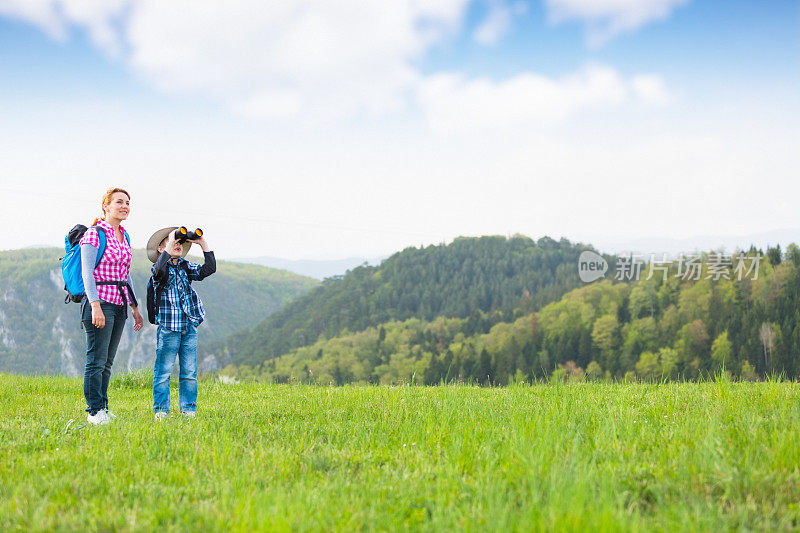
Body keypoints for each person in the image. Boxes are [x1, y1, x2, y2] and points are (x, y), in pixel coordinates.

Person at [80, 188, 144, 425]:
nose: (125, 206)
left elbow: (125, 275)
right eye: (119, 202)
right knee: (96, 360)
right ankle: (94, 411)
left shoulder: (124, 236)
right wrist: (95, 306)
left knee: (107, 361)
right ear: (106, 206)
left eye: (128, 202)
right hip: (101, 303)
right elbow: (87, 273)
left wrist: (135, 307)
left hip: (119, 305)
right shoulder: (94, 234)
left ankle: (103, 407)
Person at [146, 227, 216, 420]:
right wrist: (170, 243)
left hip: (188, 326)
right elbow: (159, 271)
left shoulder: (185, 266)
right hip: (168, 327)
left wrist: (202, 244)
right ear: (161, 249)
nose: (177, 245)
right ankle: (161, 411)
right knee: (163, 372)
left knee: (189, 372)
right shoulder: (159, 269)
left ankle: (189, 410)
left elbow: (208, 269)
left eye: (180, 243)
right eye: (172, 242)